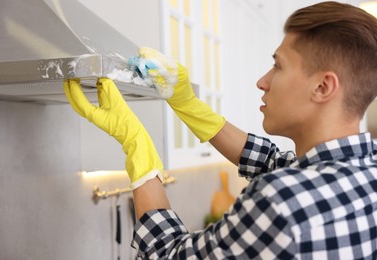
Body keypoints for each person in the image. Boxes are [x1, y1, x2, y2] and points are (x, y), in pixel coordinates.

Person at [64, 1, 377, 259]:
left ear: (323, 86)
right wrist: (186, 103)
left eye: (278, 66)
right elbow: (271, 162)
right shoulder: (365, 169)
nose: (262, 81)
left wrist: (136, 146)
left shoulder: (281, 201)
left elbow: (166, 254)